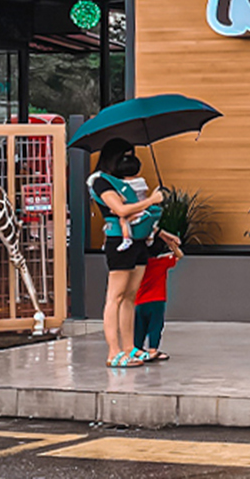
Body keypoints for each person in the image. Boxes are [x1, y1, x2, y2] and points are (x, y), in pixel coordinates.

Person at [88, 139, 165, 367]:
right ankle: (114, 352)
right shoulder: (101, 182)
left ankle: (130, 347)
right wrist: (151, 200)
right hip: (119, 241)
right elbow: (120, 210)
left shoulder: (126, 183)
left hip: (139, 240)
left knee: (130, 296)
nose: (129, 161)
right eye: (125, 156)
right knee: (115, 296)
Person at [133, 229, 183, 361]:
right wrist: (172, 244)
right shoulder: (162, 262)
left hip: (140, 301)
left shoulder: (140, 265)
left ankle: (137, 349)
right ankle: (153, 350)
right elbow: (179, 255)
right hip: (158, 300)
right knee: (155, 326)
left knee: (139, 326)